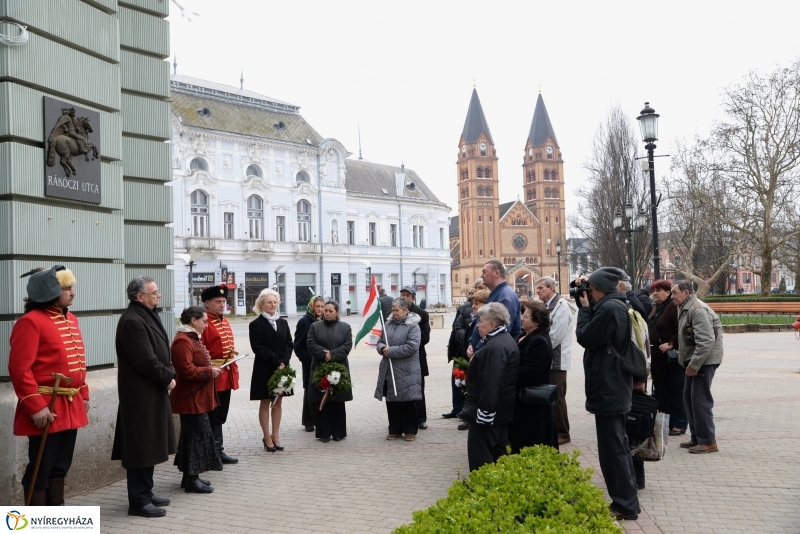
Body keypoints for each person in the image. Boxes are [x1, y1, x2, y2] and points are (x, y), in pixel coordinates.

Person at [9, 266, 88, 506]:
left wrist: (83, 393)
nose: (73, 293)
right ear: (50, 292)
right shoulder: (30, 322)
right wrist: (35, 406)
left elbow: (78, 363)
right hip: (47, 406)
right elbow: (19, 369)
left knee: (61, 465)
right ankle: (35, 521)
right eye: (66, 288)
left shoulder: (71, 319)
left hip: (69, 404)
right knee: (41, 468)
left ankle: (55, 515)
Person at [575, 267, 639, 521]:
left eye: (590, 289)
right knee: (617, 445)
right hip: (613, 385)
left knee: (613, 450)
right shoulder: (615, 305)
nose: (588, 293)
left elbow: (585, 336)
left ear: (600, 288)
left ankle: (625, 504)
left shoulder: (610, 308)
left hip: (610, 386)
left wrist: (584, 310)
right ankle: (627, 500)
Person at [112, 276, 176, 518]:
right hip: (140, 394)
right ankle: (138, 500)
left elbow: (161, 351)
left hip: (151, 391)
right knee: (141, 446)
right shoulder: (132, 320)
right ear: (140, 297)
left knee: (150, 444)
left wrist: (169, 372)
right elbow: (146, 360)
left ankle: (146, 491)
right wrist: (168, 377)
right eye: (154, 292)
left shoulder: (145, 314)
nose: (159, 295)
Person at [460, 303, 519, 471]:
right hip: (499, 410)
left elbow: (491, 383)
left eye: (481, 321)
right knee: (500, 451)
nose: (478, 325)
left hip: (488, 413)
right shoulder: (500, 340)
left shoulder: (495, 348)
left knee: (481, 454)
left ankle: (483, 484)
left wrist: (485, 413)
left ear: (492, 325)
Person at [170, 307, 223, 493]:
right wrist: (209, 372)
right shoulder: (182, 340)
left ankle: (189, 476)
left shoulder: (190, 338)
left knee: (192, 436)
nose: (206, 325)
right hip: (190, 397)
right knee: (196, 437)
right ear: (193, 320)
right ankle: (192, 479)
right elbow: (185, 370)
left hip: (197, 396)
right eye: (204, 321)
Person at [671, 280, 724, 454]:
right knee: (689, 398)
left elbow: (706, 341)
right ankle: (697, 438)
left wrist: (694, 365)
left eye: (675, 293)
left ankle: (708, 442)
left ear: (686, 292)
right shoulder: (686, 307)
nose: (672, 296)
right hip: (696, 360)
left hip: (704, 361)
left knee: (700, 401)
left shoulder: (697, 309)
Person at [509, 300, 558, 453]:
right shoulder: (526, 335)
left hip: (533, 401)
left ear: (536, 321)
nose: (522, 318)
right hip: (523, 400)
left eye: (526, 316)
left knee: (532, 439)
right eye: (522, 315)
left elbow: (533, 372)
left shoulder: (539, 340)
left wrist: (509, 372)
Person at [249, 289, 293, 452]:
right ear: (261, 305)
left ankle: (275, 435)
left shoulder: (283, 323)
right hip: (264, 368)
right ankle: (266, 436)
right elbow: (257, 347)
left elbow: (289, 343)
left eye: (275, 302)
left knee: (278, 402)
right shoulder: (255, 325)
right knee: (265, 401)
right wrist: (276, 360)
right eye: (269, 302)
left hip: (282, 368)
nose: (273, 305)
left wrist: (284, 361)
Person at [201, 285, 239, 465]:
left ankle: (218, 450)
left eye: (224, 301)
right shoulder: (204, 322)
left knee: (220, 415)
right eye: (218, 301)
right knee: (212, 415)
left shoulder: (224, 320)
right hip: (213, 376)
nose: (222, 304)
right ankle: (211, 453)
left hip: (226, 374)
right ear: (207, 303)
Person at [375, 298, 423, 441]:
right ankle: (394, 429)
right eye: (393, 310)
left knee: (407, 401)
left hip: (407, 370)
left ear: (406, 311)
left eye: (397, 310)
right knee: (392, 400)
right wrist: (382, 348)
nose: (394, 313)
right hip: (390, 369)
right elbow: (380, 342)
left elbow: (412, 347)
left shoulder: (413, 326)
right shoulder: (388, 324)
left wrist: (390, 351)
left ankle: (410, 430)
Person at [534, 276, 574, 445]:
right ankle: (551, 430)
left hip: (557, 360)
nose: (537, 291)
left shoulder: (561, 306)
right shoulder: (546, 306)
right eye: (537, 288)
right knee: (549, 396)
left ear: (551, 288)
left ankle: (563, 433)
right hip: (548, 358)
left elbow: (556, 335)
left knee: (557, 398)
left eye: (541, 288)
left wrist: (538, 345)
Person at [307, 301, 353, 442]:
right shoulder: (315, 326)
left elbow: (347, 346)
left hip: (339, 368)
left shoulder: (345, 327)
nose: (327, 313)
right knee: (323, 400)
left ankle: (339, 432)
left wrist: (332, 354)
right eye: (325, 310)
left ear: (336, 312)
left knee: (337, 401)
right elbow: (311, 344)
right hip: (320, 368)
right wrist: (324, 354)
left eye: (330, 311)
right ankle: (324, 433)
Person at [648, 280, 686, 436]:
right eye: (654, 290)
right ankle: (667, 422)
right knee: (662, 392)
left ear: (668, 292)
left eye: (658, 290)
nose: (655, 293)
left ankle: (679, 423)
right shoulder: (657, 308)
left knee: (676, 392)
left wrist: (671, 343)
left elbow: (681, 329)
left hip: (671, 359)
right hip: (658, 359)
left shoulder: (673, 308)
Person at [468, 261, 521, 355]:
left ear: (496, 273)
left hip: (493, 353)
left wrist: (479, 348)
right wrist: (471, 343)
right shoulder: (497, 293)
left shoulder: (505, 296)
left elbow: (501, 330)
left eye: (484, 272)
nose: (481, 276)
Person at [456, 288, 491, 431]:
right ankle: (469, 417)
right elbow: (473, 335)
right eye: (473, 303)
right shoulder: (477, 318)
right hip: (473, 355)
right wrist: (471, 344)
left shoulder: (487, 320)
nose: (473, 306)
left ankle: (473, 418)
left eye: (477, 303)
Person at [399, 286, 430, 429]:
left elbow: (425, 337)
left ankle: (421, 418)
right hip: (400, 357)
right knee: (402, 388)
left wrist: (408, 343)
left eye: (407, 295)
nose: (404, 297)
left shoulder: (422, 314)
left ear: (413, 298)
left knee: (418, 388)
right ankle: (404, 418)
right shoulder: (395, 313)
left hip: (416, 356)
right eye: (402, 295)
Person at [443, 288, 474, 419]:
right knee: (457, 378)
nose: (472, 294)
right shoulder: (464, 308)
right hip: (461, 349)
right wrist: (465, 340)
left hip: (473, 350)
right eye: (472, 292)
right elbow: (457, 326)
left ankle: (466, 410)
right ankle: (457, 408)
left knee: (468, 381)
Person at [295, 296, 325, 432]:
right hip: (310, 364)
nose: (320, 309)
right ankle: (308, 421)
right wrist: (308, 359)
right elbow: (298, 346)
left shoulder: (325, 321)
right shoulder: (304, 322)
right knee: (310, 391)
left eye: (322, 306)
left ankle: (320, 419)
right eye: (317, 306)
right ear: (312, 306)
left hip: (324, 363)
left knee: (324, 388)